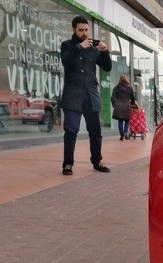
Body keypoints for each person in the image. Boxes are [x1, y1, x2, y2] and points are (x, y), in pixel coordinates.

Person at [60, 15, 112, 175]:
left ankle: (97, 161)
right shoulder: (67, 45)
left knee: (95, 131)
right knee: (71, 131)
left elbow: (107, 67)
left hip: (91, 95)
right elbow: (65, 61)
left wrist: (104, 52)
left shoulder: (94, 46)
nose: (84, 33)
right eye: (81, 30)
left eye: (86, 30)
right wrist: (80, 47)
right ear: (74, 30)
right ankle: (68, 164)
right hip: (73, 95)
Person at [111, 75, 135, 141]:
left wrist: (114, 105)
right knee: (127, 120)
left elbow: (112, 98)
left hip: (118, 106)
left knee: (120, 121)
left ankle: (122, 135)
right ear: (126, 79)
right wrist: (132, 106)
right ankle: (125, 133)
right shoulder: (130, 88)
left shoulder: (116, 87)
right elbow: (133, 98)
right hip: (127, 106)